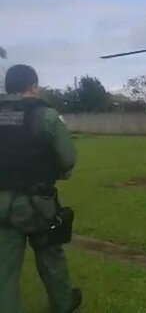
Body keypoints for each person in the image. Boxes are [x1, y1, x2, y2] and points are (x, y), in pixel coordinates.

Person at [0, 65, 81, 313]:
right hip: (38, 203)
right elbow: (67, 159)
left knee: (4, 270)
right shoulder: (45, 115)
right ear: (33, 86)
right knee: (51, 258)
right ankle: (63, 305)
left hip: (2, 204)